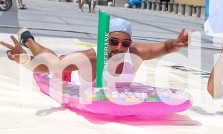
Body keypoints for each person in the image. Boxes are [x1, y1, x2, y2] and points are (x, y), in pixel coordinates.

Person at [2, 18, 192, 83]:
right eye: (114, 41)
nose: (119, 48)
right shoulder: (92, 56)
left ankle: (28, 39)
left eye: (125, 43)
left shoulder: (134, 52)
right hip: (71, 76)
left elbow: (164, 47)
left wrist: (175, 44)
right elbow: (48, 66)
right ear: (105, 40)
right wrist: (26, 60)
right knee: (55, 59)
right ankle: (29, 40)